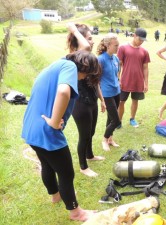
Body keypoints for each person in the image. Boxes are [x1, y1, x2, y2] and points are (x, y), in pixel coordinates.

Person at [21, 50, 102, 221]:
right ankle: (76, 213)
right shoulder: (70, 67)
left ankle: (55, 195)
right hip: (47, 131)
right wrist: (54, 120)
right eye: (87, 75)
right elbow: (64, 92)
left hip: (31, 128)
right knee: (66, 174)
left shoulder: (56, 64)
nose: (84, 79)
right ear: (86, 68)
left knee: (47, 165)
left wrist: (56, 117)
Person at [67, 23, 106, 177]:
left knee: (92, 131)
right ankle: (83, 166)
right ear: (80, 40)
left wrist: (102, 100)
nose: (92, 41)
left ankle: (90, 155)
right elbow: (85, 47)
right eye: (89, 38)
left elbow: (95, 81)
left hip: (93, 100)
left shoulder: (89, 58)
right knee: (84, 135)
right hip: (80, 103)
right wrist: (75, 31)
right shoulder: (74, 59)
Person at [117, 28, 150, 128]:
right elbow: (118, 65)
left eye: (143, 40)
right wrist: (118, 79)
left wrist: (146, 83)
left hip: (138, 81)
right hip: (125, 81)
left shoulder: (144, 51)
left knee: (135, 100)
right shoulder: (123, 48)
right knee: (121, 101)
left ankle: (132, 118)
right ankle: (118, 121)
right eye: (140, 39)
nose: (141, 42)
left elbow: (145, 68)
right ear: (134, 36)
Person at [96, 33, 121, 151]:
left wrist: (118, 83)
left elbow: (117, 74)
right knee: (116, 120)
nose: (118, 47)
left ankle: (110, 139)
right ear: (107, 45)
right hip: (107, 93)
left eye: (118, 45)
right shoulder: (100, 60)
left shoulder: (115, 58)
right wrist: (101, 98)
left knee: (110, 118)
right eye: (116, 45)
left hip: (116, 91)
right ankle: (104, 139)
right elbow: (96, 80)